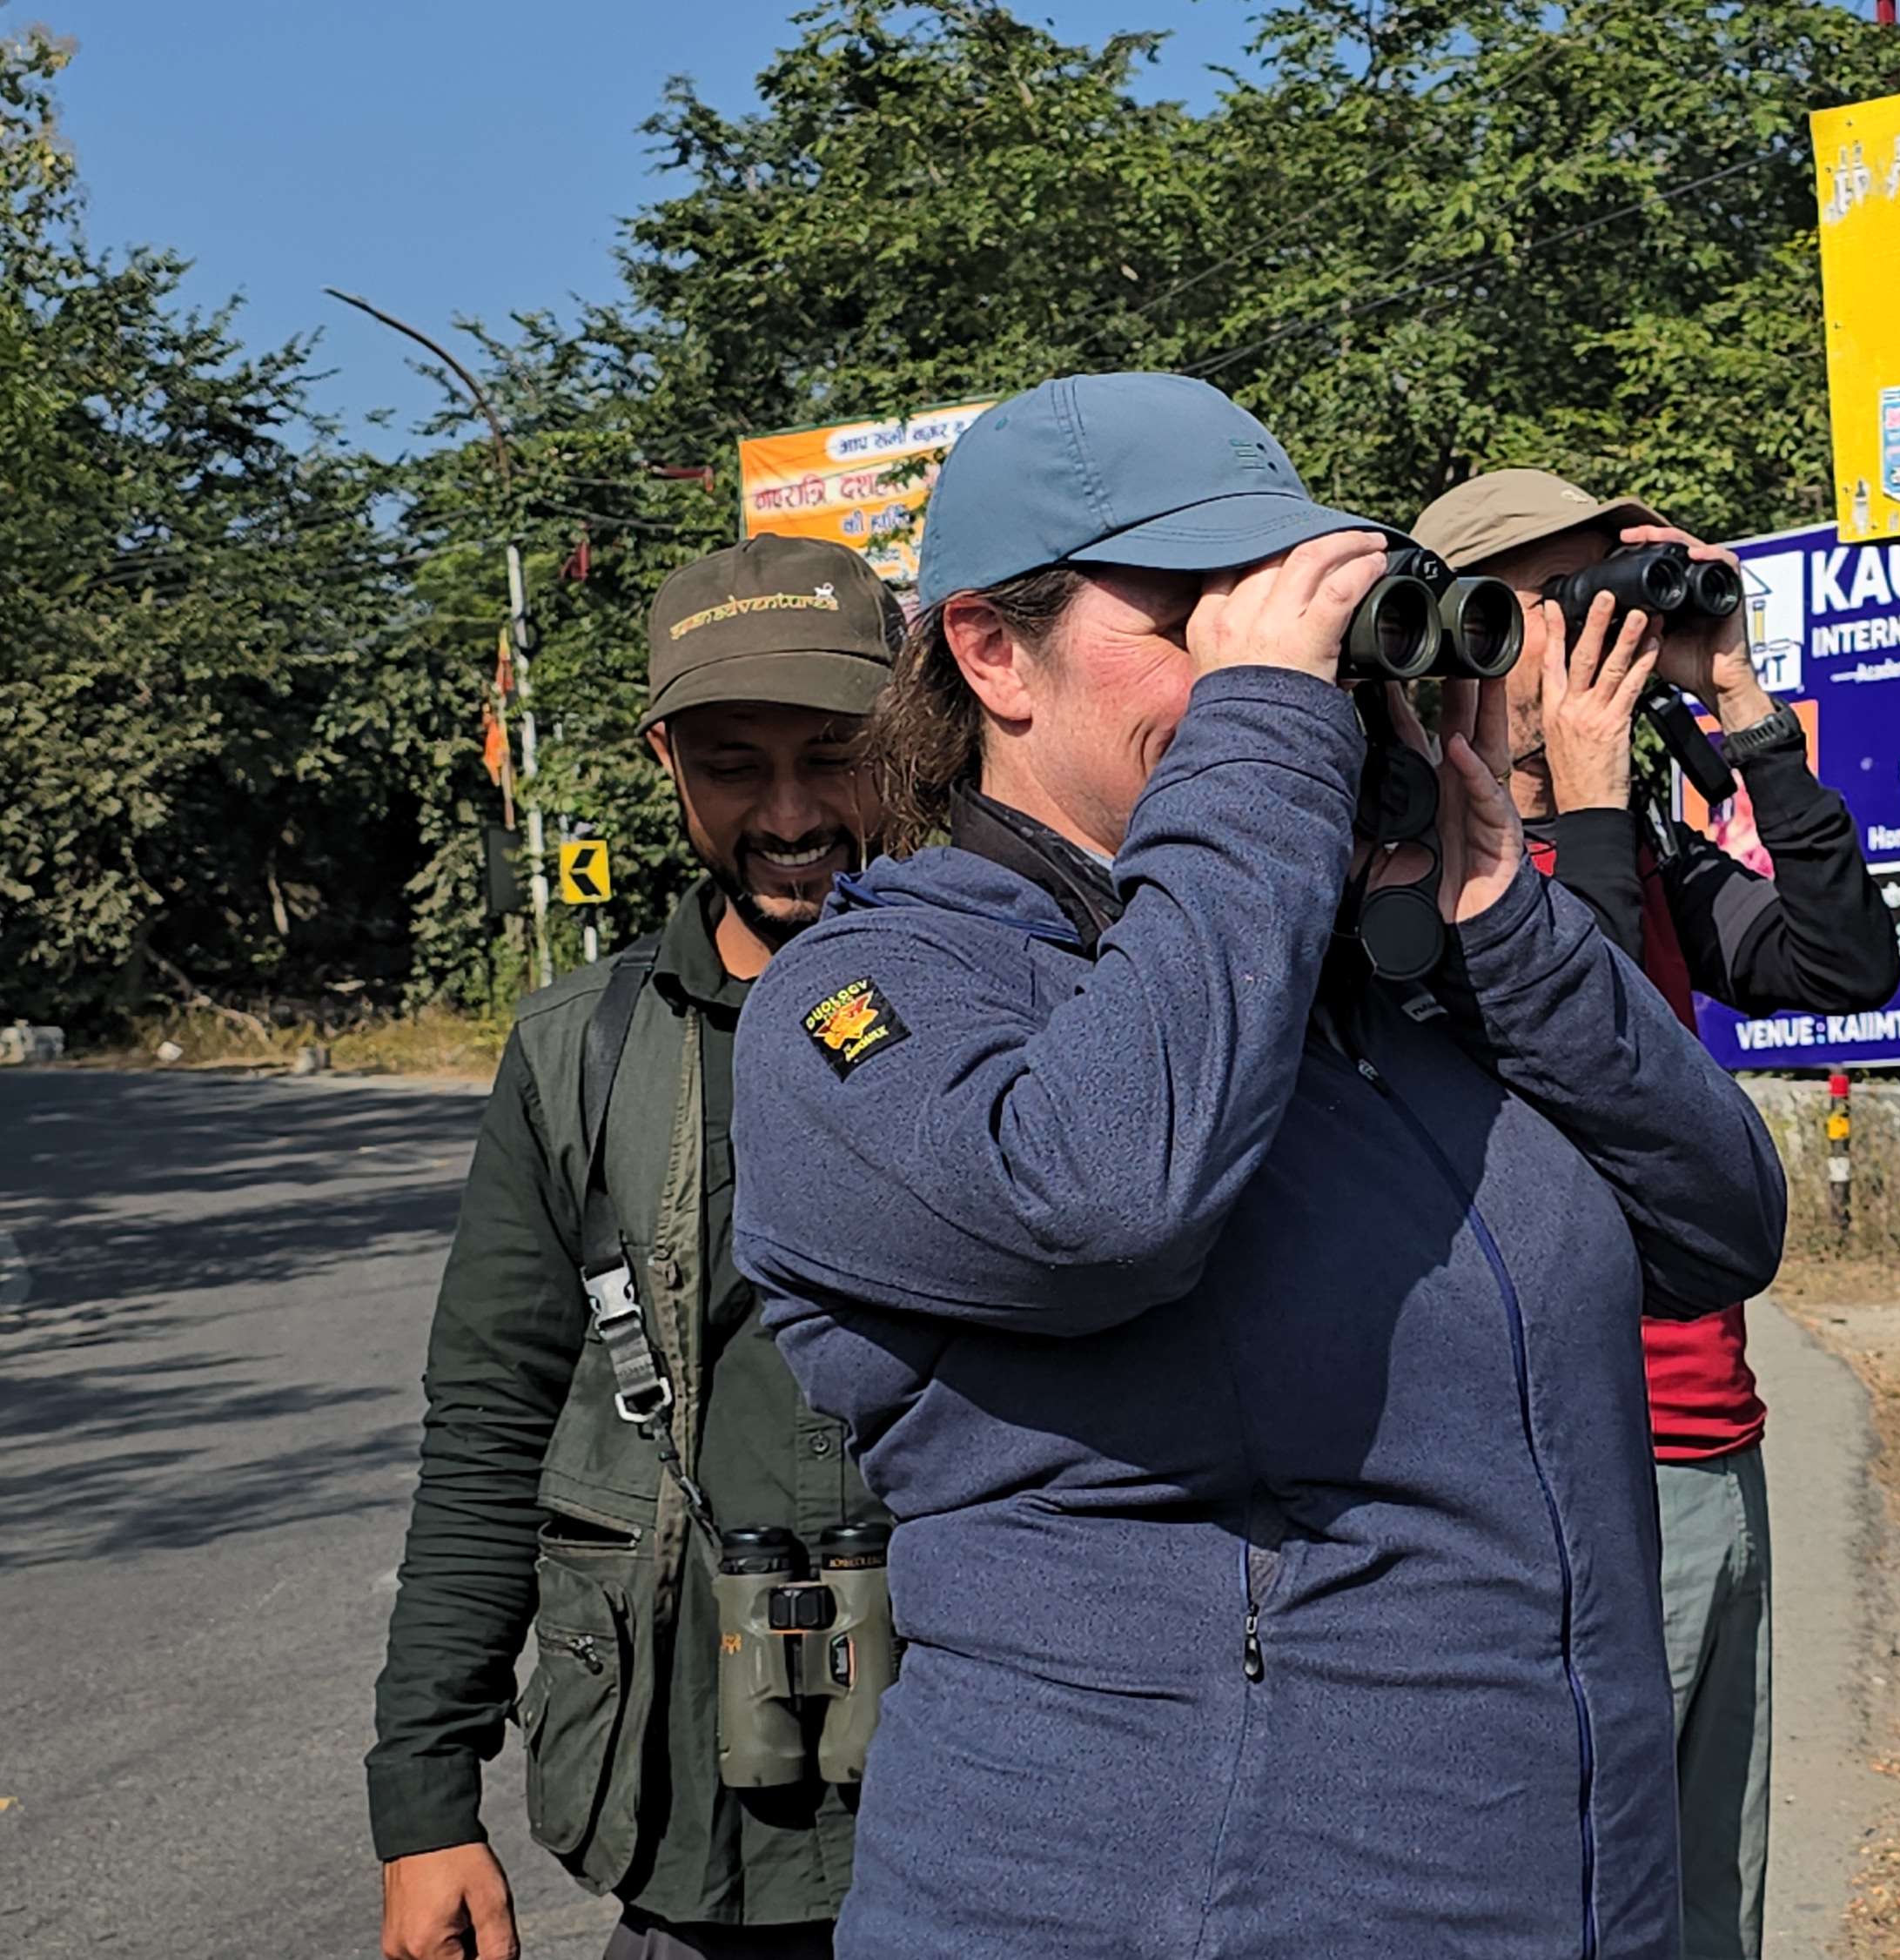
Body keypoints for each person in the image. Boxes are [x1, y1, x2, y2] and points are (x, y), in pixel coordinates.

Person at [727, 374, 1788, 1960]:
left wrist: (1500, 913)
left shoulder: (1374, 978)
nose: (1266, 667)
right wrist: (1269, 743)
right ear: (989, 653)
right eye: (1194, 616)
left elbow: (1720, 1226)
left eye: (1286, 620)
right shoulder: (869, 1002)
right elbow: (1102, 1204)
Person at [370, 536, 903, 1960]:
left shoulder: (1038, 1003)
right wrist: (424, 1803)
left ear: (914, 740)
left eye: (837, 754)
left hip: (984, 1800)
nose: (792, 812)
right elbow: (488, 1426)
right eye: (736, 763)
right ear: (667, 762)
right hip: (693, 1830)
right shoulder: (577, 1058)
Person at [1413, 468, 1900, 1960]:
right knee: (1591, 1908)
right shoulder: (1430, 885)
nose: (1608, 637)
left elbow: (1843, 965)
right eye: (1569, 608)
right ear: (1476, 637)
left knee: (1709, 1914)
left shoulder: (1640, 849)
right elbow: (1590, 1058)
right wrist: (1577, 795)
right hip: (1577, 1463)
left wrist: (1742, 704)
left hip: (1717, 1438)